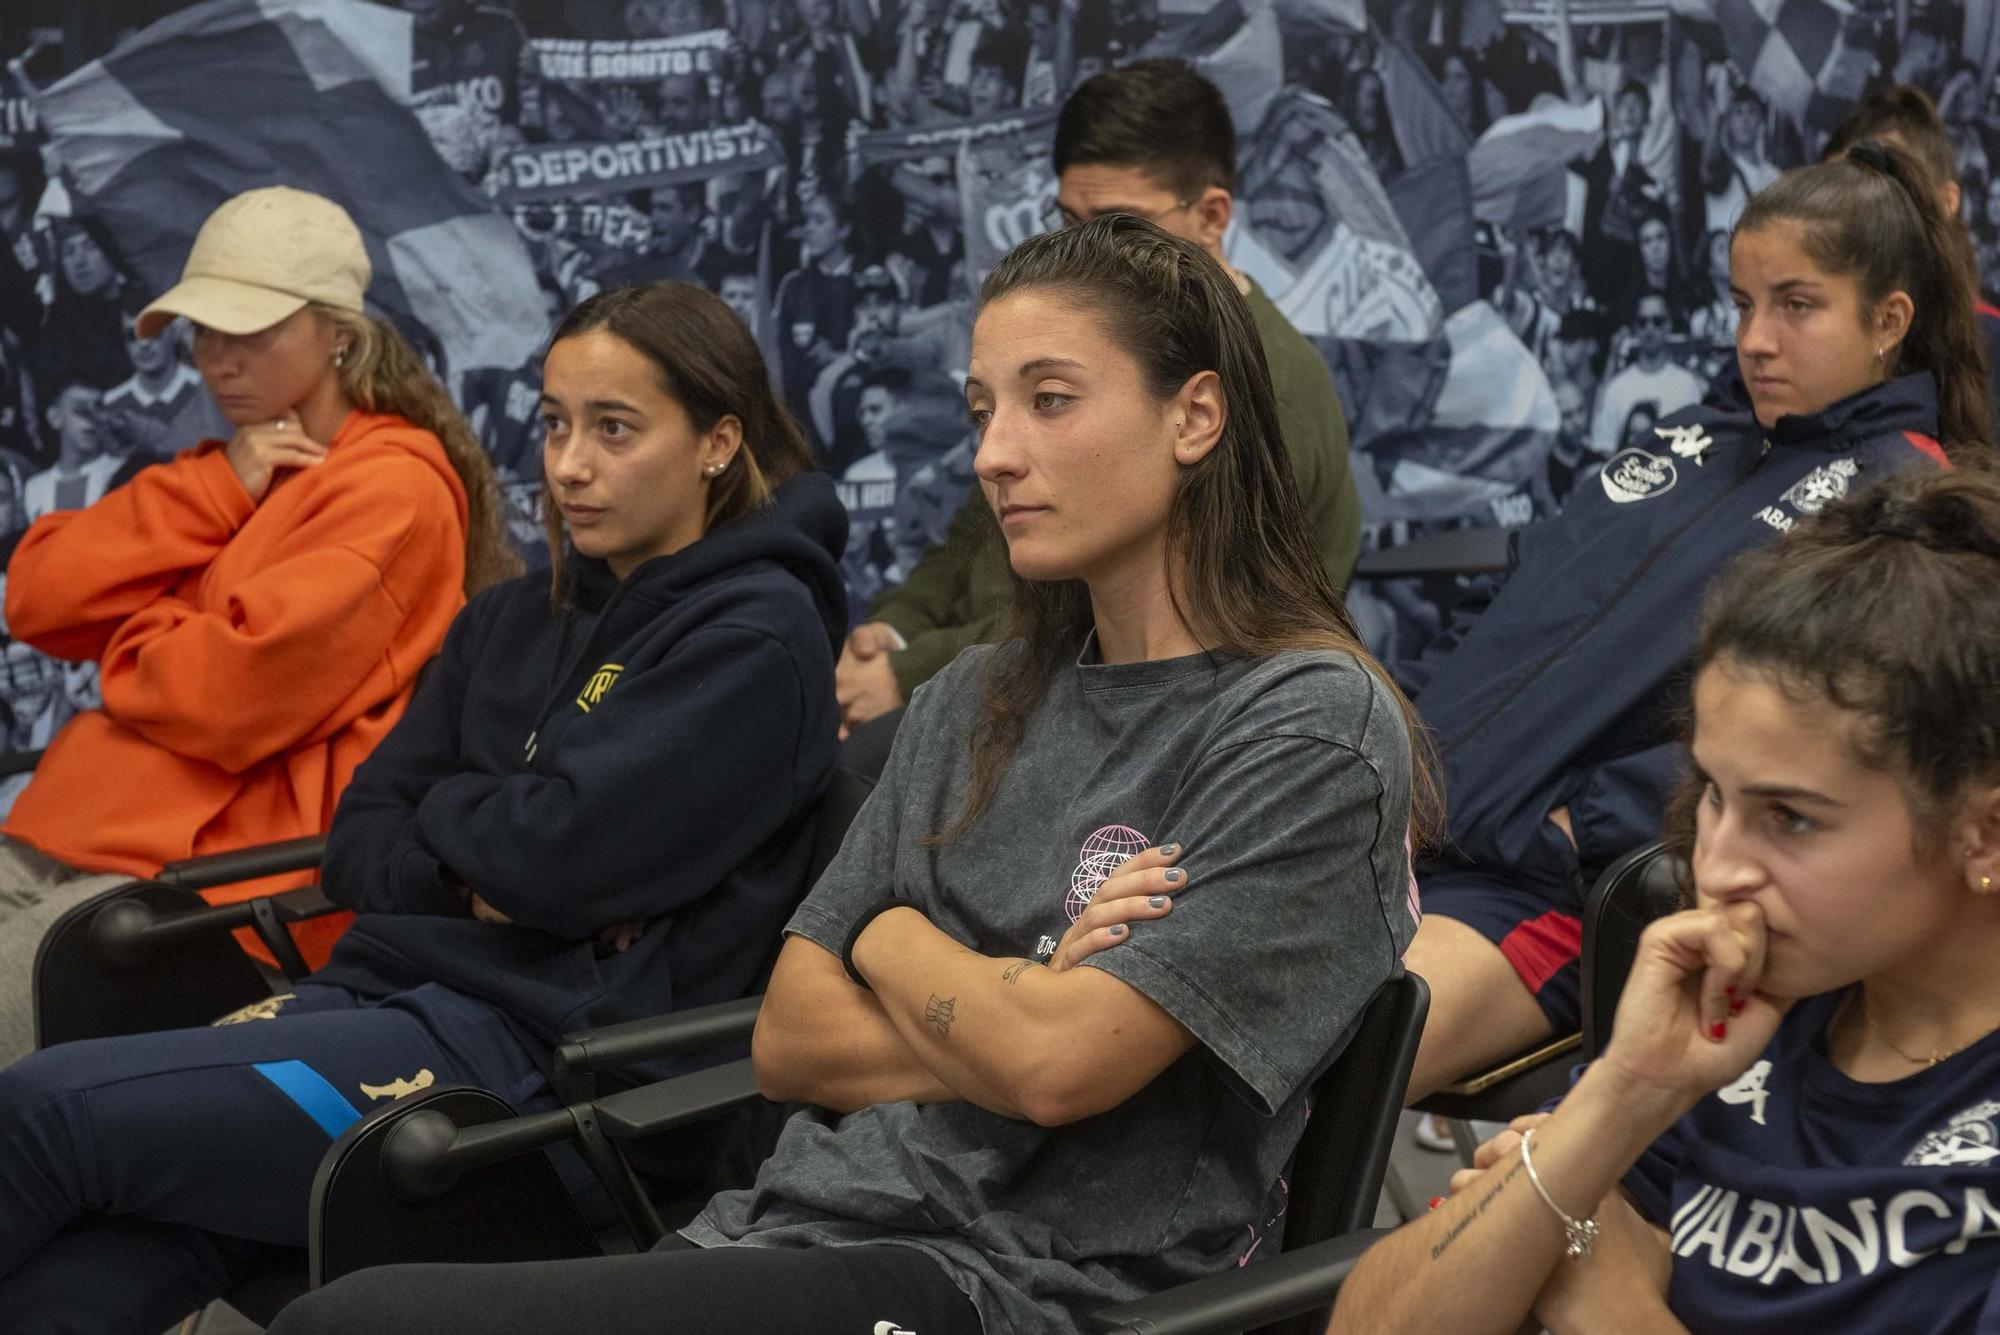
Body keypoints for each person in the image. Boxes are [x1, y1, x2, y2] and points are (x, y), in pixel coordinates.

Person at [265, 212, 1426, 1335]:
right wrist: (1014, 983)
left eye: (1049, 401)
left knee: (350, 1322)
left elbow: (1058, 1068)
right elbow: (790, 1036)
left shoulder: (1306, 727)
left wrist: (889, 942)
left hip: (1010, 1292)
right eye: (981, 408)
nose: (991, 453)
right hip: (783, 1227)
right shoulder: (973, 695)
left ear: (1195, 417)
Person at [0, 280, 845, 1331]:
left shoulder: (755, 637)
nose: (569, 463)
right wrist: (479, 862)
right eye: (553, 424)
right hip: (381, 1003)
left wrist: (480, 842)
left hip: (539, 1083)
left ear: (718, 442)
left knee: (45, 1113)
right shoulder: (508, 620)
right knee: (108, 1257)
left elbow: (547, 861)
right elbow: (362, 839)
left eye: (613, 429)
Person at [1333, 466, 2000, 1334]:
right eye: (1715, 794)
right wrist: (1625, 1089)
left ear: (1982, 835)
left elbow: (1581, 1279)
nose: (1717, 867)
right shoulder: (1751, 1018)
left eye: (1791, 819)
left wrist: (1610, 1307)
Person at [1399, 140, 1989, 1104]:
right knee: (1165, 1018)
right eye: (1743, 303)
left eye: (1797, 306)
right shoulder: (1693, 439)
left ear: (1889, 321)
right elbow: (1516, 595)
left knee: (1288, 1078)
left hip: (1539, 888)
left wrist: (1577, 825)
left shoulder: (1905, 497)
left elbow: (1837, 756)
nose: (1756, 338)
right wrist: (1398, 726)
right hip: (1407, 824)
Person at [0, 187, 511, 1060]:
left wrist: (132, 633)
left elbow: (229, 693)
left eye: (250, 331)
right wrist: (211, 491)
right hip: (88, 838)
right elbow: (35, 596)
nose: (215, 359)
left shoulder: (396, 485)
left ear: (339, 335)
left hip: (213, 888)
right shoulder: (228, 467)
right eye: (204, 331)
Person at [837, 59, 1363, 762]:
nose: (1089, 255)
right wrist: (898, 631)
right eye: (1068, 221)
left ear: (1211, 216)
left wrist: (905, 676)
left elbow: (1116, 627)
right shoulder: (1071, 341)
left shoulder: (1272, 387)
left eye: (1123, 226)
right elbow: (979, 525)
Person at [1588, 290, 1705, 460]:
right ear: (1635, 327)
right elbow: (1603, 447)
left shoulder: (1688, 385)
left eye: (1657, 321)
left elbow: (1700, 448)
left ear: (1668, 326)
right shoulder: (1616, 388)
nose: (1650, 329)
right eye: (1642, 322)